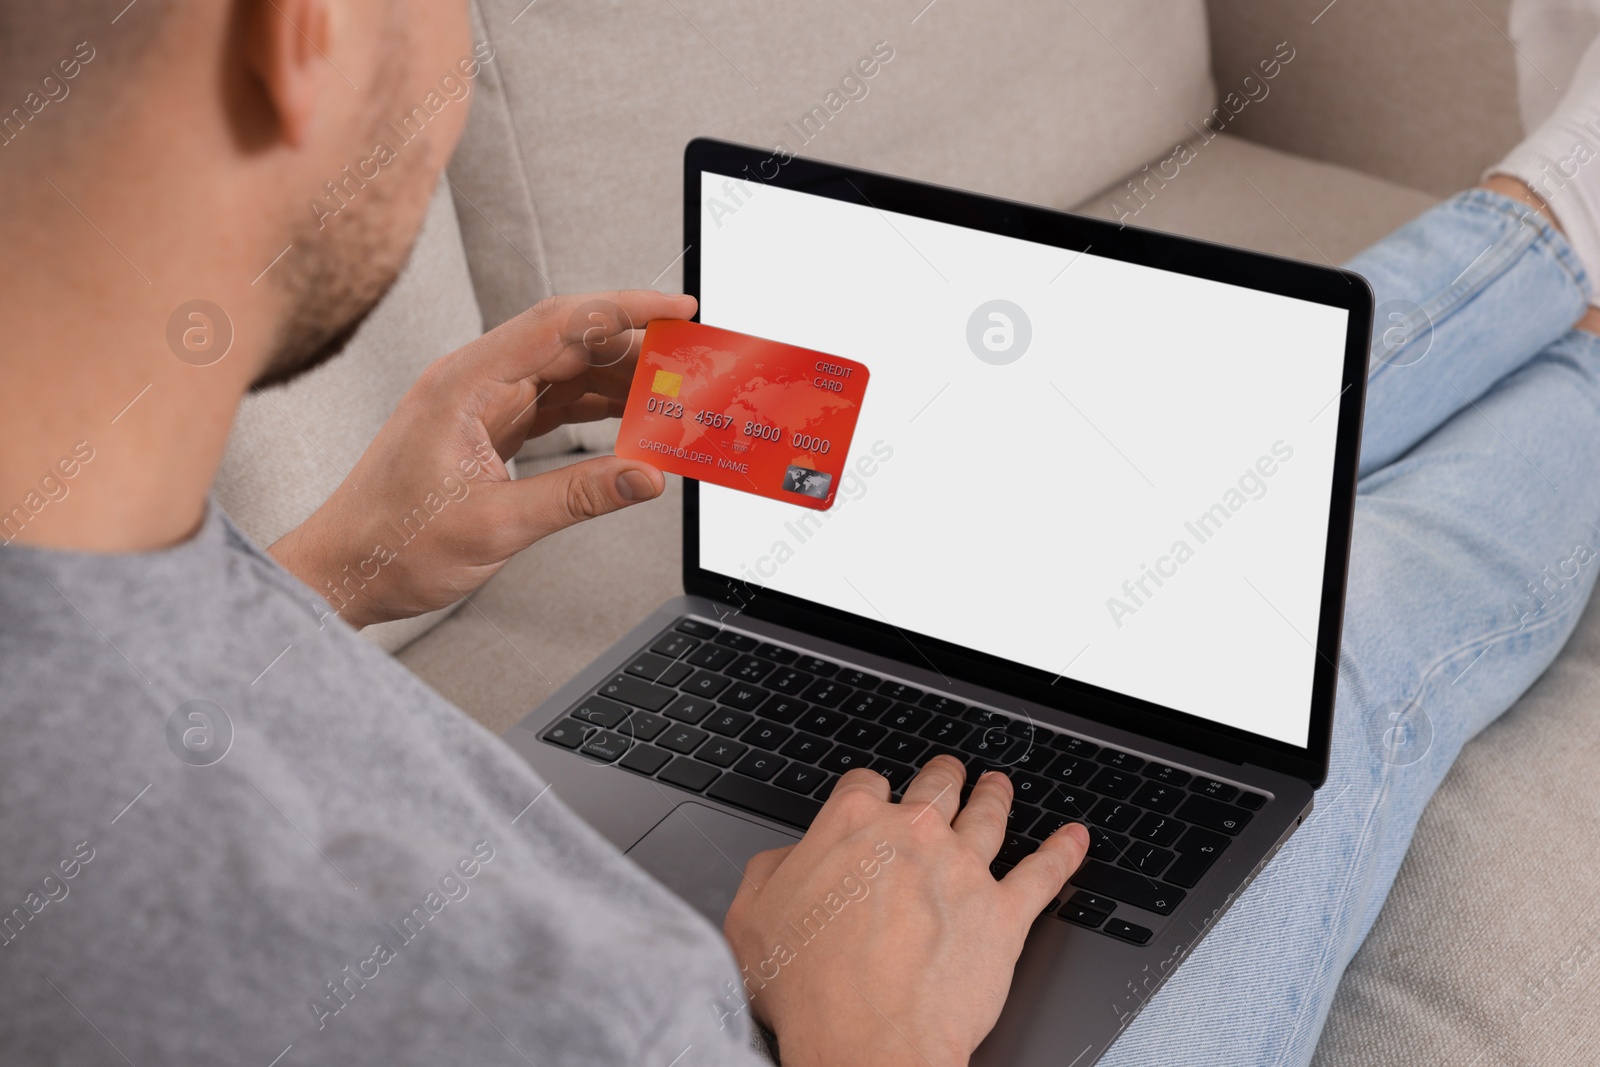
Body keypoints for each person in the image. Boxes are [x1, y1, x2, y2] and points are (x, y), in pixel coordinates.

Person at [4, 4, 1600, 1066]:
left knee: (1208, 449)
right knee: (1363, 627)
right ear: (304, 34)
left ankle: (1544, 229)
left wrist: (338, 563)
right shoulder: (584, 1007)